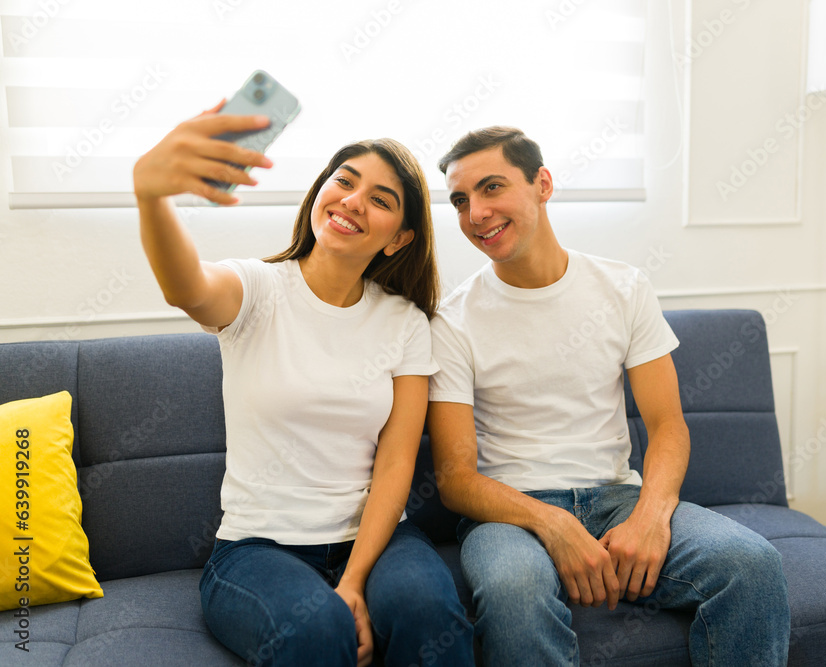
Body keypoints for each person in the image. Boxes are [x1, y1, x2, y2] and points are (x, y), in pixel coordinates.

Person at [427, 126, 791, 666]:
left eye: (492, 188)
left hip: (617, 498)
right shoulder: (453, 320)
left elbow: (668, 426)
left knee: (752, 564)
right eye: (461, 200)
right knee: (514, 593)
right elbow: (456, 480)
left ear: (542, 183)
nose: (475, 213)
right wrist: (554, 524)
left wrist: (649, 518)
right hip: (510, 516)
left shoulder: (624, 288)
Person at [132, 102, 474, 667]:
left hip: (376, 539)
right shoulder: (255, 290)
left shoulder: (406, 323)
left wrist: (356, 581)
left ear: (400, 239)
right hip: (257, 548)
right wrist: (152, 196)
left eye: (381, 200)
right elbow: (185, 286)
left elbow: (396, 464)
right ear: (320, 192)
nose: (353, 201)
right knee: (315, 632)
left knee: (428, 614)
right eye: (345, 181)